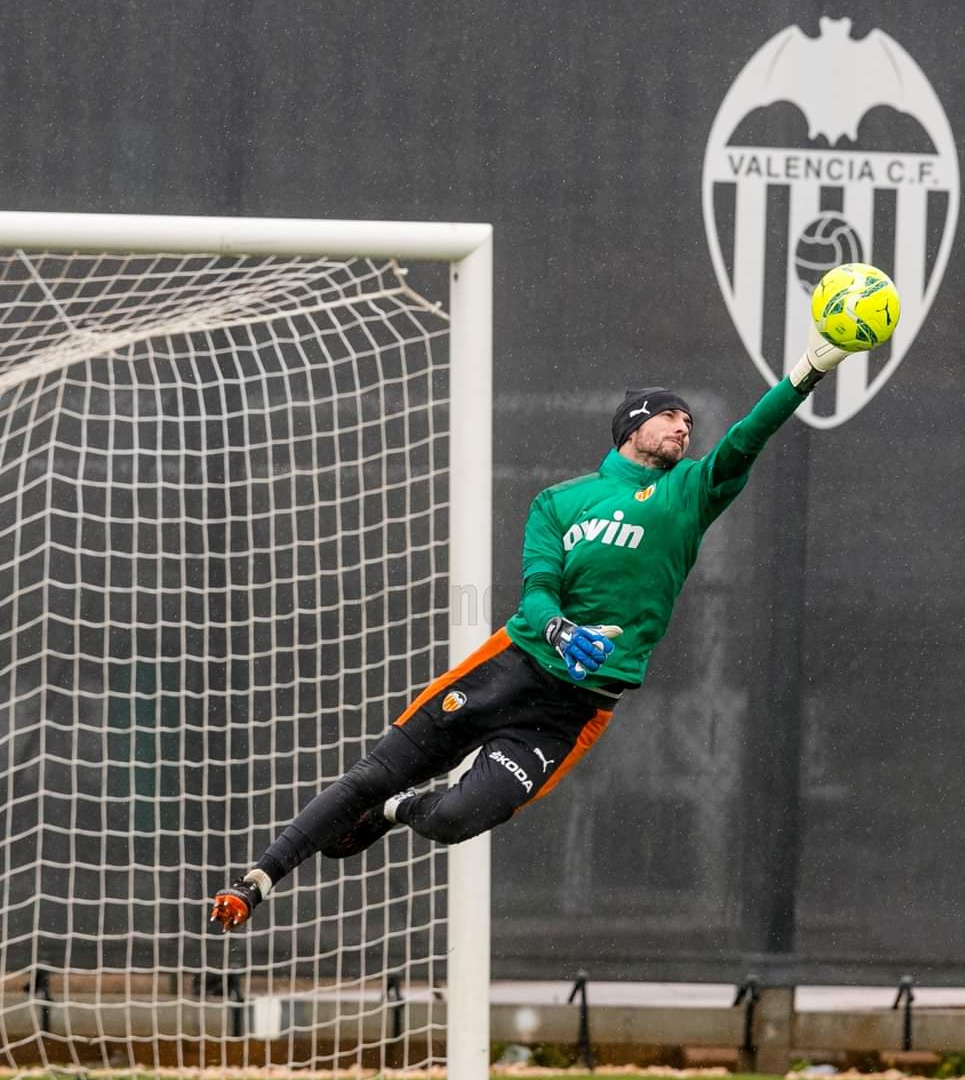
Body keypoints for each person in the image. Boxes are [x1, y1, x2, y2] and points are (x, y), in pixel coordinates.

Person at [210, 331, 851, 930]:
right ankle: (255, 882)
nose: (684, 426)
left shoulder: (691, 490)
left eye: (689, 420)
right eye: (669, 415)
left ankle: (393, 812)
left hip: (570, 712)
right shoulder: (561, 501)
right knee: (373, 770)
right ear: (633, 426)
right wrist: (561, 630)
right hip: (510, 667)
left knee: (454, 819)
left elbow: (747, 436)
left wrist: (810, 368)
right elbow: (538, 591)